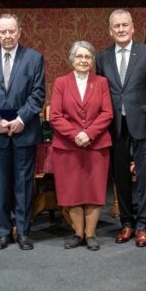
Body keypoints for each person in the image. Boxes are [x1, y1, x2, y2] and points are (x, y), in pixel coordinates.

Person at [0, 14, 46, 250]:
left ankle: (24, 232)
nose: (7, 36)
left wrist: (20, 119)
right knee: (1, 185)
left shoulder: (34, 58)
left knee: (24, 184)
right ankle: (4, 232)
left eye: (11, 31)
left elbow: (38, 95)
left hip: (24, 129)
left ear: (19, 32)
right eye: (3, 32)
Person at [95, 9, 146, 248]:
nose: (121, 30)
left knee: (144, 178)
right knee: (120, 178)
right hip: (115, 127)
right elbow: (100, 96)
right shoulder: (102, 58)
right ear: (110, 31)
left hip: (144, 126)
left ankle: (143, 226)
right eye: (117, 26)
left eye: (125, 25)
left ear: (133, 28)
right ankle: (127, 223)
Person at [49, 41, 114, 251]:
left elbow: (107, 113)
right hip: (69, 146)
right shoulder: (61, 82)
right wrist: (76, 134)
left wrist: (89, 134)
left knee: (94, 189)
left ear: (92, 60)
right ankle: (78, 234)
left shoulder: (102, 82)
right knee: (73, 191)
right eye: (79, 57)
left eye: (87, 57)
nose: (83, 61)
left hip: (96, 145)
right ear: (72, 59)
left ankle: (92, 234)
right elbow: (55, 116)